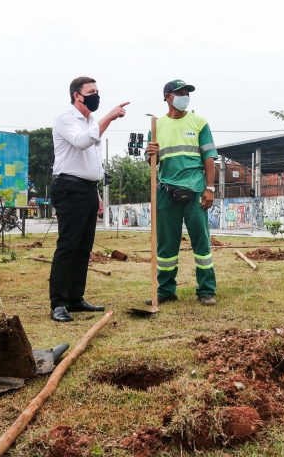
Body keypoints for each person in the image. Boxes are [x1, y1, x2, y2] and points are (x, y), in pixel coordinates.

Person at [49, 76, 129, 322]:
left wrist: (95, 193)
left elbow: (90, 162)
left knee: (84, 248)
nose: (96, 95)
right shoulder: (66, 119)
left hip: (86, 190)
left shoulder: (91, 121)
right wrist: (109, 117)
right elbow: (82, 142)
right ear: (77, 95)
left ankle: (75, 299)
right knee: (68, 245)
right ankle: (58, 304)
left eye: (97, 90)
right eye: (91, 91)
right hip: (69, 188)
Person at [145, 79, 218, 306]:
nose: (185, 96)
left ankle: (206, 290)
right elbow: (153, 163)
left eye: (187, 93)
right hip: (166, 191)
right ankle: (166, 290)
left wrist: (209, 188)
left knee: (201, 242)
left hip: (195, 190)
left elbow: (209, 158)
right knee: (166, 246)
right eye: (180, 93)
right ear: (168, 97)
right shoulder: (157, 127)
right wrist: (149, 153)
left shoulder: (199, 123)